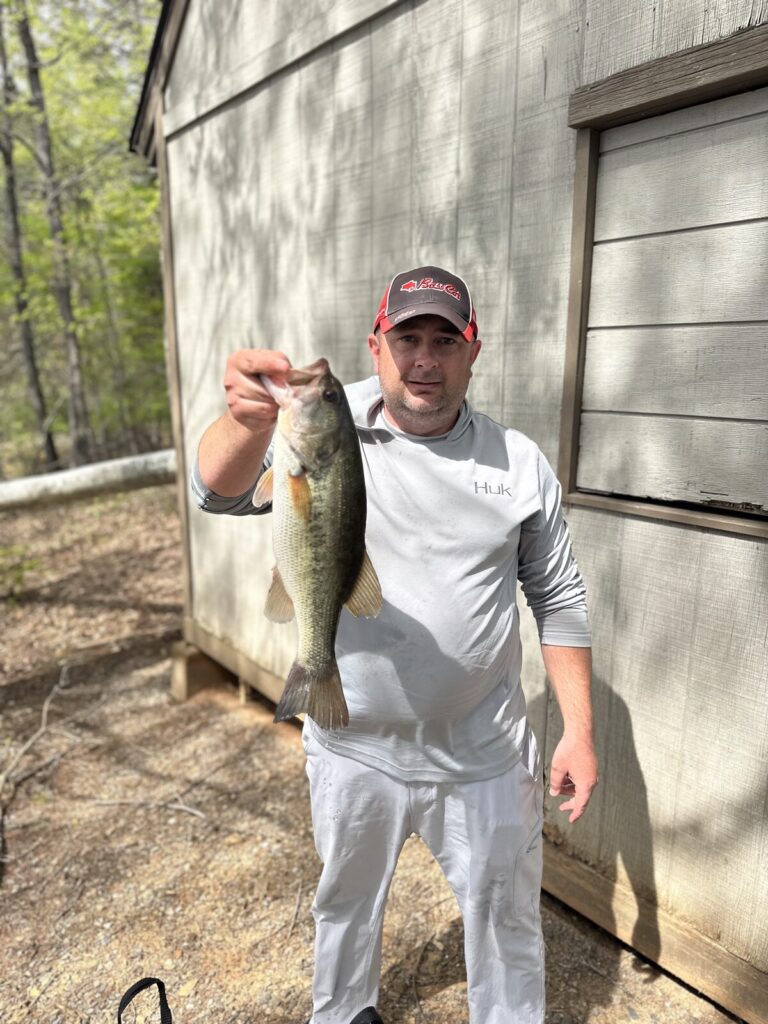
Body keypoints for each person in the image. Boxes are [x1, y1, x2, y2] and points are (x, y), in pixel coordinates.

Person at [193, 266, 598, 1024]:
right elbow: (217, 491)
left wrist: (578, 727)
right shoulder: (324, 424)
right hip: (352, 745)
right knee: (344, 905)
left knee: (506, 921)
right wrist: (247, 419)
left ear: (473, 351)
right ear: (376, 345)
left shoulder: (517, 463)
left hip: (483, 752)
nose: (424, 360)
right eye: (407, 338)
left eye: (445, 341)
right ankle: (345, 1014)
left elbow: (559, 597)